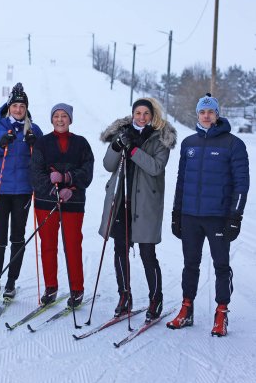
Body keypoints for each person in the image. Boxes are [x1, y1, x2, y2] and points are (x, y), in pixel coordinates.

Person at [167, 93, 249, 337]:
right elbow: (181, 181)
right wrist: (176, 213)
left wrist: (235, 217)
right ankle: (186, 309)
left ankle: (221, 312)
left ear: (217, 114)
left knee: (221, 265)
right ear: (197, 114)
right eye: (202, 112)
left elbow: (242, 184)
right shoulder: (188, 143)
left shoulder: (233, 144)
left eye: (210, 112)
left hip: (218, 217)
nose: (206, 116)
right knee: (190, 264)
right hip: (190, 215)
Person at [99, 98, 176, 321]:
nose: (141, 117)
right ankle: (124, 296)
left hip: (145, 204)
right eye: (138, 113)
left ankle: (156, 298)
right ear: (132, 114)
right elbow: (108, 165)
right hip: (120, 200)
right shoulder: (122, 133)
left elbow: (156, 167)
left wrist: (132, 150)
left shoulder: (160, 138)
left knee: (147, 254)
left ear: (152, 116)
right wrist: (117, 146)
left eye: (146, 113)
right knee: (120, 249)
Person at [0, 83, 42, 299]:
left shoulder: (33, 129)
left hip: (23, 191)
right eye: (15, 105)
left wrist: (36, 145)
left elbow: (44, 161)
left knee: (17, 237)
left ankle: (11, 282)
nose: (18, 109)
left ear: (26, 108)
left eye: (22, 106)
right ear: (9, 107)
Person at [30, 103, 94, 308]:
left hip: (73, 202)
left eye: (64, 116)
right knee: (48, 245)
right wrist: (52, 188)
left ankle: (77, 288)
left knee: (72, 245)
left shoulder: (81, 143)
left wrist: (68, 181)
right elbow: (36, 173)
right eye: (56, 115)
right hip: (45, 202)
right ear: (51, 119)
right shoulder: (42, 143)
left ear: (70, 119)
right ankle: (51, 287)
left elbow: (87, 172)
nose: (60, 119)